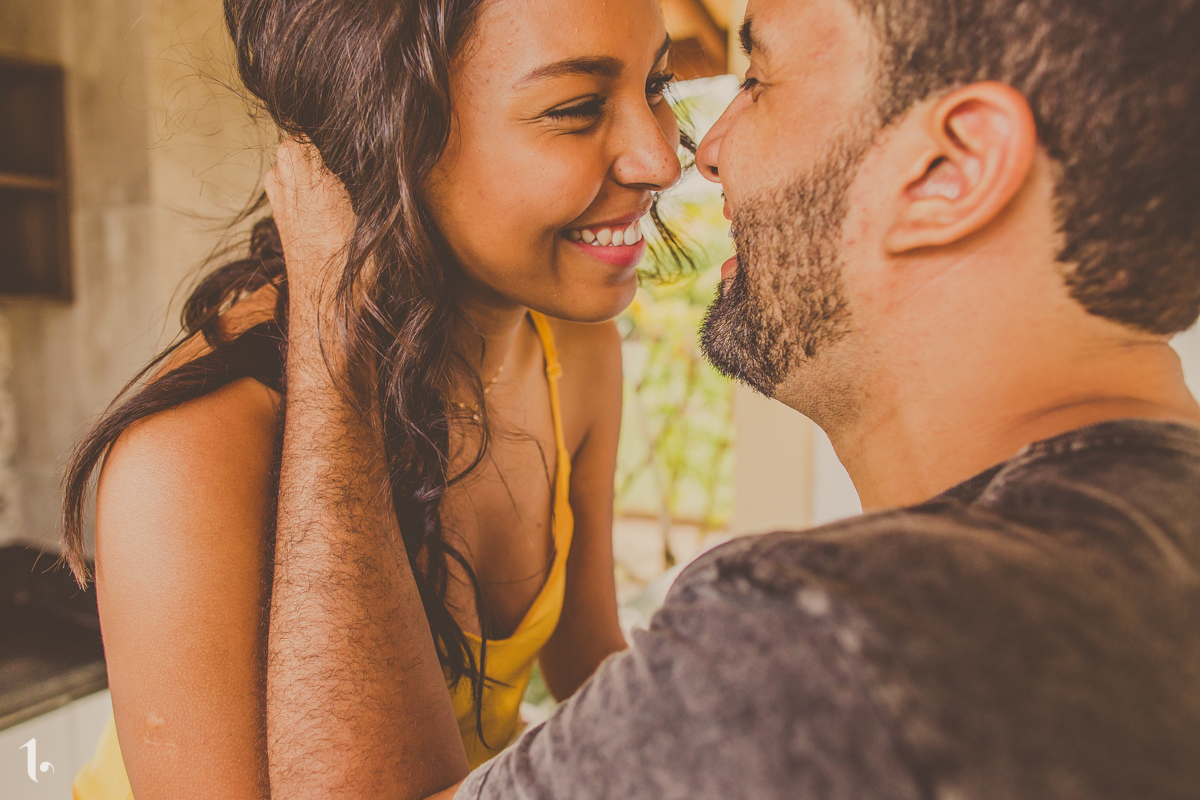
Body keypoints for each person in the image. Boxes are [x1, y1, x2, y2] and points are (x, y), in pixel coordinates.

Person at [262, 0, 1200, 797]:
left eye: (757, 80)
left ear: (951, 169)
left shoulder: (829, 639)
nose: (695, 155)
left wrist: (331, 322)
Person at [64, 0, 686, 796]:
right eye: (575, 109)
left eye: (658, 82)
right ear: (383, 133)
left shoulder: (574, 347)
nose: (659, 157)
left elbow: (586, 656)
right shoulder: (194, 452)